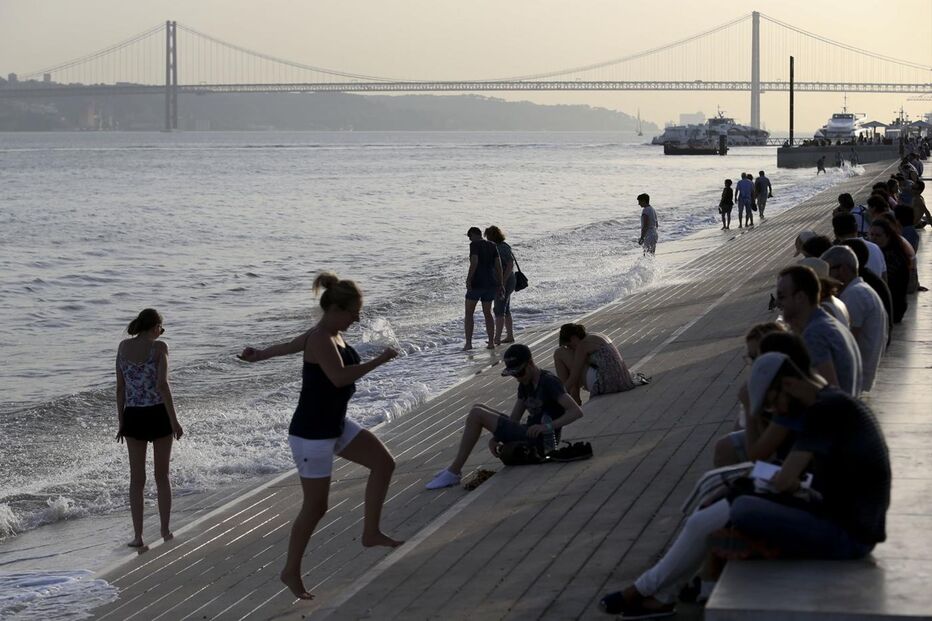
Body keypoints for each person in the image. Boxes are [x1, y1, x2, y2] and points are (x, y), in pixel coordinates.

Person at [599, 350, 890, 619]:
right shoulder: (831, 401)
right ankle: (655, 592)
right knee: (731, 499)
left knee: (741, 507)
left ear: (787, 384)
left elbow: (786, 480)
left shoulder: (823, 411)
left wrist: (764, 485)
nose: (776, 411)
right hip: (842, 517)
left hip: (849, 536)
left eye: (773, 403)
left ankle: (646, 590)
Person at [238, 273, 403, 600]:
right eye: (354, 311)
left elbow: (285, 347)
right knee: (315, 507)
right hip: (311, 433)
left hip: (335, 424)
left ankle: (370, 533)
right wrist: (379, 361)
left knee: (384, 464)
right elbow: (339, 378)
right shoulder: (321, 339)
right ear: (336, 308)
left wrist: (260, 354)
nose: (358, 317)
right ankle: (290, 571)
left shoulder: (330, 333)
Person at [426, 344, 584, 490]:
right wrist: (498, 437)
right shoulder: (525, 384)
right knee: (477, 408)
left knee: (477, 414)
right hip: (527, 433)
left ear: (530, 363)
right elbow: (514, 418)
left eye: (520, 372)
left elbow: (576, 411)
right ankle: (453, 469)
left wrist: (546, 427)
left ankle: (454, 472)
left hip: (541, 442)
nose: (518, 377)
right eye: (514, 374)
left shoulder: (549, 382)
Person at [116, 308, 183, 549]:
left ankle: (138, 536)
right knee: (162, 476)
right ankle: (165, 531)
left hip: (132, 416)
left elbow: (120, 388)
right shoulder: (159, 348)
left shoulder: (123, 348)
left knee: (137, 480)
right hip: (157, 414)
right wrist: (174, 421)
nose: (161, 332)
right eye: (161, 328)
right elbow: (162, 385)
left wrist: (121, 422)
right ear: (155, 327)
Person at [776, 265, 862, 396]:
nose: (778, 302)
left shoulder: (815, 334)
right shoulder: (828, 323)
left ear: (800, 297)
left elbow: (829, 395)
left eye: (782, 296)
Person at [712, 321, 787, 468]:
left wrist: (750, 408)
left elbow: (759, 454)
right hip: (777, 456)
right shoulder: (771, 381)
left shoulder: (783, 394)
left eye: (755, 357)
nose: (752, 364)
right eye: (750, 358)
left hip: (784, 465)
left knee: (724, 449)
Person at [821, 246, 887, 392]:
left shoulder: (854, 295)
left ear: (842, 269)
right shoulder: (861, 289)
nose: (825, 278)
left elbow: (847, 344)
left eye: (828, 271)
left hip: (855, 380)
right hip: (861, 375)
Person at [553, 323, 637, 405]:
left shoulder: (583, 345)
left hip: (608, 383)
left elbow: (574, 376)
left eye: (569, 345)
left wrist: (559, 395)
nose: (570, 349)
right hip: (622, 379)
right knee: (575, 363)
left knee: (559, 353)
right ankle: (574, 399)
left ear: (573, 338)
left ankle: (571, 401)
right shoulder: (595, 335)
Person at [464, 226, 505, 350]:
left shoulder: (474, 245)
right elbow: (498, 265)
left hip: (477, 282)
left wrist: (469, 279)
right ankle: (491, 342)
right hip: (491, 283)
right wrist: (501, 283)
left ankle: (469, 343)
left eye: (469, 237)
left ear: (473, 234)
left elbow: (474, 262)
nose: (470, 240)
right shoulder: (492, 245)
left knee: (469, 313)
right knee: (487, 313)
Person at [870, 219, 909, 323]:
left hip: (893, 309)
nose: (873, 238)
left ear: (887, 236)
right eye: (872, 234)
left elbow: (885, 283)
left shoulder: (892, 256)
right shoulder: (884, 251)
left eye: (878, 235)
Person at [484, 225, 516, 346]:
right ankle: (509, 335)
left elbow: (509, 265)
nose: (487, 239)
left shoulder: (501, 248)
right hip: (507, 280)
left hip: (506, 281)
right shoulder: (501, 246)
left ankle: (497, 338)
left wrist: (502, 281)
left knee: (499, 309)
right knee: (505, 308)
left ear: (492, 236)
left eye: (488, 237)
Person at [832, 213, 886, 279]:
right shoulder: (875, 247)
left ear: (835, 233)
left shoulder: (835, 255)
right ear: (857, 227)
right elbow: (884, 277)